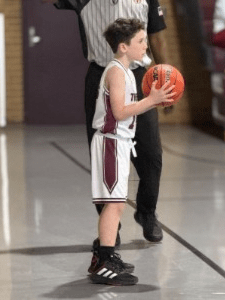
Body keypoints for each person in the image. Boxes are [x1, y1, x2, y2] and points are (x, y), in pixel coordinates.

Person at [48, 0, 169, 247]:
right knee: (103, 156)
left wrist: (166, 77)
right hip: (101, 75)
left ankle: (147, 212)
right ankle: (110, 226)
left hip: (138, 75)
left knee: (151, 154)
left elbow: (156, 36)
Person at [88, 18, 175, 285]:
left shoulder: (126, 70)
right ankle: (104, 261)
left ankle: (103, 257)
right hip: (111, 142)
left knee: (116, 205)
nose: (145, 45)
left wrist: (152, 101)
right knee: (113, 206)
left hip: (120, 142)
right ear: (123, 46)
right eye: (140, 41)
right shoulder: (115, 71)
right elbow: (120, 112)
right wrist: (152, 100)